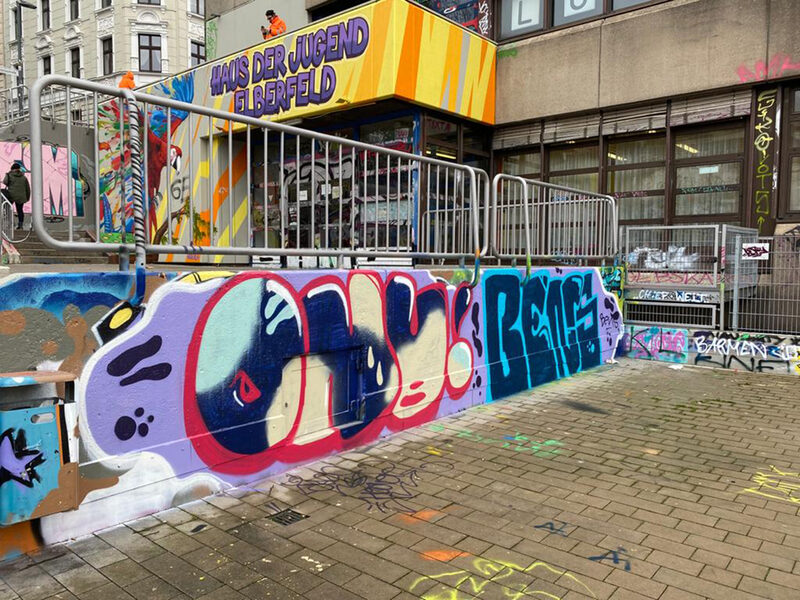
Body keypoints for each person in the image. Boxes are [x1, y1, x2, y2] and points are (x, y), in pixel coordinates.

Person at [2, 162, 31, 230]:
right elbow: (27, 188)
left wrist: (7, 174)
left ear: (12, 169)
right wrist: (27, 197)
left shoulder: (9, 175)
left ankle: (10, 224)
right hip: (21, 197)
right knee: (20, 210)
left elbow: (5, 182)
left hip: (11, 196)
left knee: (8, 210)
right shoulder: (24, 177)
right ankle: (20, 225)